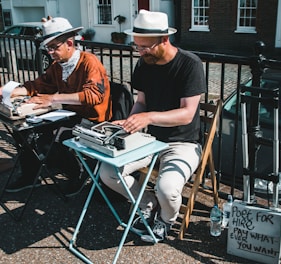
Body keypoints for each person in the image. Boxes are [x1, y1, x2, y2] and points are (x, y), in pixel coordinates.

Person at [99, 9, 206, 242]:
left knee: (167, 189)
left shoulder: (190, 64)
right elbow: (141, 102)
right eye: (137, 46)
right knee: (107, 173)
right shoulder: (144, 64)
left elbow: (187, 114)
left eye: (145, 47)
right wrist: (131, 121)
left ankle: (166, 220)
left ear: (164, 39)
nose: (140, 51)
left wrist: (148, 118)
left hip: (184, 143)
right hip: (150, 140)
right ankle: (147, 202)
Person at [0, 17, 111, 196]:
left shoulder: (89, 62)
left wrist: (53, 98)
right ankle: (31, 174)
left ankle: (78, 174)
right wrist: (8, 91)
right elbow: (38, 85)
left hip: (91, 119)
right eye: (48, 48)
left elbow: (93, 96)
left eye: (54, 48)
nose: (50, 53)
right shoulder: (57, 66)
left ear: (69, 43)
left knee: (57, 137)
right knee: (25, 131)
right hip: (69, 114)